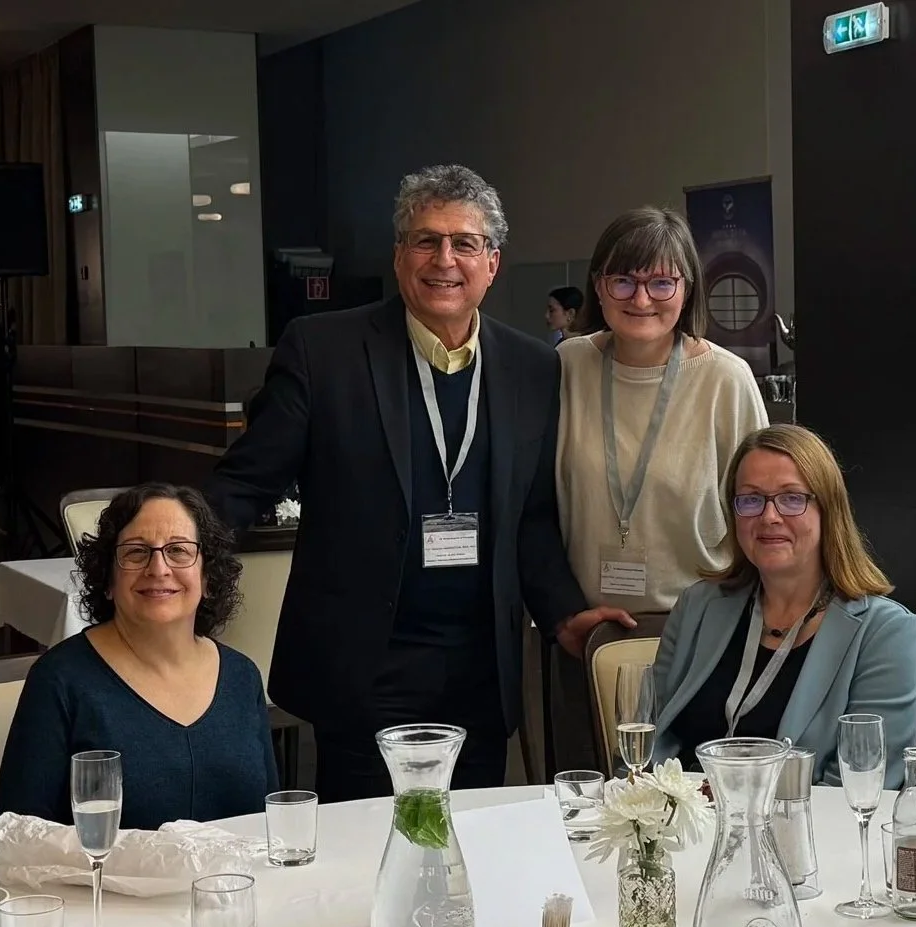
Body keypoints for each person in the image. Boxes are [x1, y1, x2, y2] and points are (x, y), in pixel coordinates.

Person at [205, 164, 630, 802]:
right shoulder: (325, 351)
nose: (444, 260)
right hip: (363, 668)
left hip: (479, 670)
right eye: (426, 240)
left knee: (467, 842)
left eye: (465, 243)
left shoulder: (531, 367)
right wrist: (170, 550)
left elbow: (532, 516)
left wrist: (565, 613)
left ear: (492, 263)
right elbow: (246, 481)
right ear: (399, 255)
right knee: (364, 846)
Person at [0, 484, 277, 830]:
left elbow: (271, 824)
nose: (158, 568)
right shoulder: (60, 680)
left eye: (178, 550)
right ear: (108, 579)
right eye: (136, 552)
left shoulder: (241, 676)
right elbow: (13, 838)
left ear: (207, 577)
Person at [651, 424, 916, 787]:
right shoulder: (697, 607)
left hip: (804, 821)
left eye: (792, 498)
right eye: (751, 499)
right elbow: (648, 741)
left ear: (828, 510)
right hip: (685, 816)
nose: (769, 517)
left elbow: (862, 784)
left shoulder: (884, 632)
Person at [556, 207, 768, 617]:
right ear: (598, 287)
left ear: (686, 290)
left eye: (661, 282)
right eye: (623, 281)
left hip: (699, 623)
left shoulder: (726, 379)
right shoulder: (567, 366)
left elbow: (760, 511)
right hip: (585, 624)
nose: (641, 299)